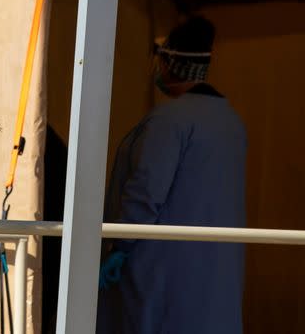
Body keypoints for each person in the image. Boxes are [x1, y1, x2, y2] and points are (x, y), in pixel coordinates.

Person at [97, 16, 247, 334]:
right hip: (212, 275)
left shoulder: (169, 120)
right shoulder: (231, 120)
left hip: (162, 274)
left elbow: (146, 189)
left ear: (168, 63)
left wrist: (120, 246)